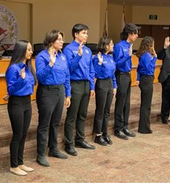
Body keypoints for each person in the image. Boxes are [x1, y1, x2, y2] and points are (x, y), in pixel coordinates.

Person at [35, 30, 70, 167]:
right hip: (47, 91)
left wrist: (68, 94)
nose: (62, 42)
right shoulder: (42, 57)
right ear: (51, 41)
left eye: (62, 39)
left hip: (60, 90)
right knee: (44, 124)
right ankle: (40, 154)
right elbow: (41, 77)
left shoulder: (62, 56)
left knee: (56, 122)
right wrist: (50, 64)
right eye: (59, 39)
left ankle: (53, 149)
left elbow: (67, 75)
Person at [62, 24, 96, 156]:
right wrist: (78, 56)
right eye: (83, 33)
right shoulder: (68, 49)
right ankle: (68, 144)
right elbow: (68, 69)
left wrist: (92, 86)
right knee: (72, 116)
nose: (86, 35)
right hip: (74, 84)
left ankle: (80, 139)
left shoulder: (87, 50)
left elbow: (91, 69)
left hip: (86, 85)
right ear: (76, 35)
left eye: (87, 33)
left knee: (82, 114)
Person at [5, 40, 36, 176]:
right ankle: (13, 165)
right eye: (28, 49)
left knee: (24, 134)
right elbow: (11, 89)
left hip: (27, 102)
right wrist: (21, 79)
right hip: (16, 102)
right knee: (17, 135)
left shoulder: (28, 66)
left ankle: (20, 162)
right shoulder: (13, 68)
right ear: (21, 50)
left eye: (31, 49)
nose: (31, 52)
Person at [113, 23, 139, 140]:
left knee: (127, 103)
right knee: (121, 102)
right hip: (121, 75)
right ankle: (118, 128)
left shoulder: (130, 45)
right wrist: (128, 56)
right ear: (129, 33)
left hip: (128, 75)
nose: (137, 36)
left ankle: (125, 126)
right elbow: (117, 64)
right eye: (135, 33)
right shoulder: (119, 46)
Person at [92, 36, 116, 146]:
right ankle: (98, 134)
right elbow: (95, 73)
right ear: (106, 46)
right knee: (100, 110)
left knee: (107, 110)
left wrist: (115, 86)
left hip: (110, 83)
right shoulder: (97, 58)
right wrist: (100, 63)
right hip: (101, 84)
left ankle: (105, 132)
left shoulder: (110, 57)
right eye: (111, 44)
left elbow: (113, 73)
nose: (113, 46)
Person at [135, 36, 156, 134]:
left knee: (145, 104)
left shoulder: (143, 54)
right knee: (146, 105)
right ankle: (144, 128)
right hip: (147, 79)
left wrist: (138, 79)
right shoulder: (147, 55)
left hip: (144, 79)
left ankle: (144, 127)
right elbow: (149, 68)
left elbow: (139, 69)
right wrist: (155, 58)